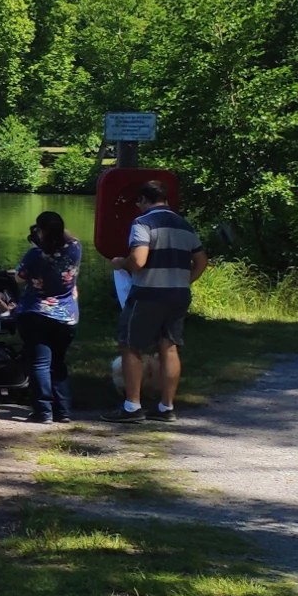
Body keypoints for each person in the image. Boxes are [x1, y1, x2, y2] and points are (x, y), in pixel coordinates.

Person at [105, 179, 208, 424]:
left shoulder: (143, 222)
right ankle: (166, 406)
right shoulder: (183, 224)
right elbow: (202, 261)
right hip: (179, 294)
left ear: (143, 200)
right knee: (169, 347)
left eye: (139, 203)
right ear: (166, 199)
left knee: (130, 345)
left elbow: (139, 260)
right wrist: (183, 280)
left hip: (148, 293)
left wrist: (121, 263)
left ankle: (132, 406)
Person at [15, 210, 81, 423]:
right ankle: (64, 411)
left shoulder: (35, 255)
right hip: (66, 316)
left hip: (37, 313)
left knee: (40, 363)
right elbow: (71, 237)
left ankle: (43, 411)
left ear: (41, 231)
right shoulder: (74, 250)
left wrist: (39, 240)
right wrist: (54, 231)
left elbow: (18, 278)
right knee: (58, 363)